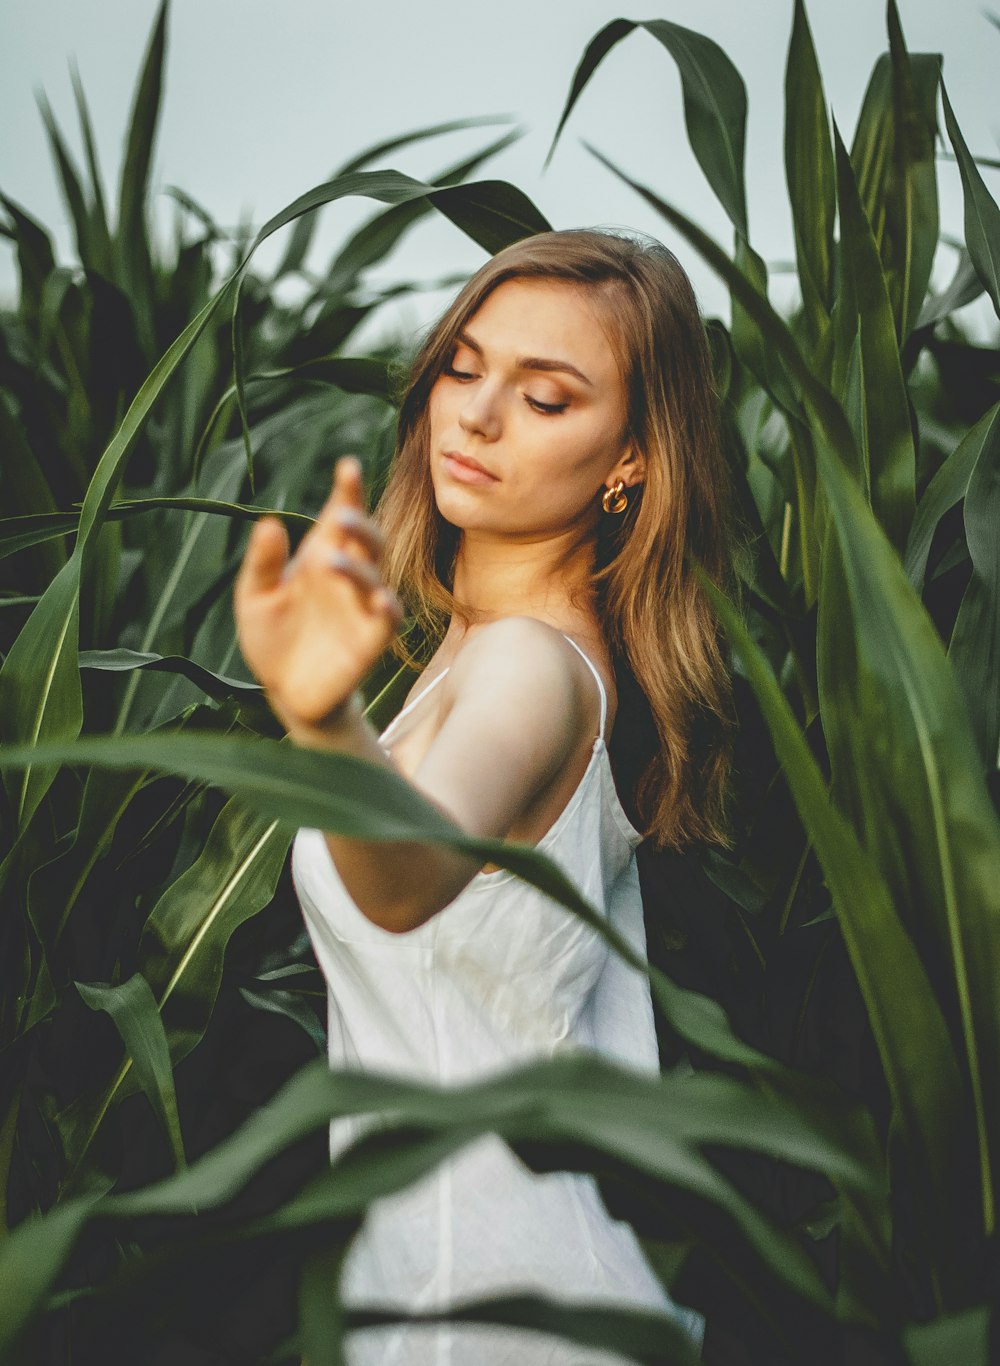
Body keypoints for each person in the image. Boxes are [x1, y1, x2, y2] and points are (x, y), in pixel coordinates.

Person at [233, 227, 733, 1364]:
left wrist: (320, 717)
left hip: (496, 1316)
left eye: (546, 397)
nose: (477, 414)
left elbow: (408, 872)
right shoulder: (481, 657)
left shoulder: (529, 672)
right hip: (462, 1294)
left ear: (633, 462)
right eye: (462, 367)